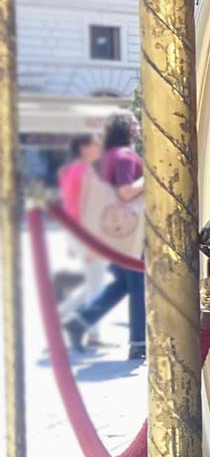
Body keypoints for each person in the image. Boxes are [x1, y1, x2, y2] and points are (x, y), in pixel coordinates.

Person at [63, 111, 146, 362]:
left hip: (113, 231)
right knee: (137, 286)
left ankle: (80, 322)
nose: (139, 127)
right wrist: (150, 177)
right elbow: (125, 192)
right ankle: (138, 344)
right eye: (135, 124)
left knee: (121, 283)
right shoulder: (123, 157)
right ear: (127, 129)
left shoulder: (108, 157)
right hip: (129, 230)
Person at [57, 134, 106, 345]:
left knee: (94, 281)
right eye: (96, 143)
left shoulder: (70, 170)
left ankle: (61, 313)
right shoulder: (84, 172)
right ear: (85, 148)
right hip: (86, 233)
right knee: (96, 283)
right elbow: (87, 208)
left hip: (76, 232)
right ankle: (92, 332)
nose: (100, 146)